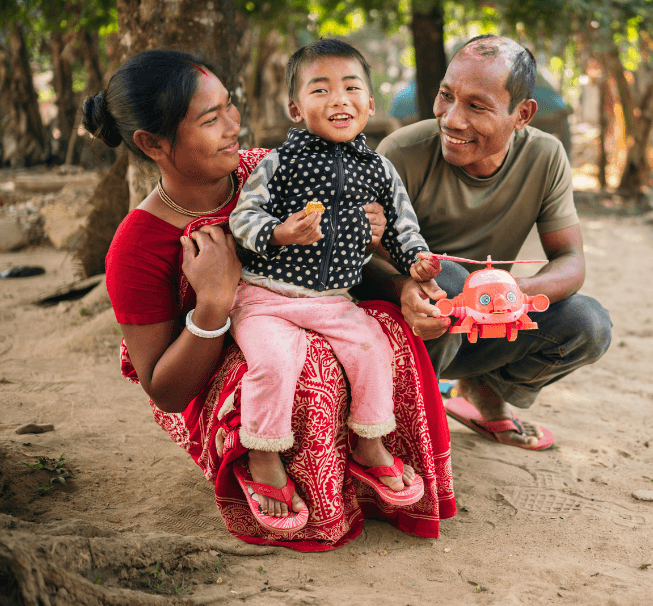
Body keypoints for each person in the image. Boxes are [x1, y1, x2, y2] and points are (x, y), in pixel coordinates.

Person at [83, 49, 454, 551]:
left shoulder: (275, 169)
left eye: (229, 107)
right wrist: (213, 302)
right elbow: (166, 393)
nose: (234, 125)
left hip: (315, 306)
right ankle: (270, 471)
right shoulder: (137, 247)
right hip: (214, 366)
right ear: (153, 143)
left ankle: (371, 461)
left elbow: (340, 276)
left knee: (382, 330)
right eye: (211, 119)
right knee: (300, 364)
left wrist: (399, 280)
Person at [357, 35, 613, 450]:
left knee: (589, 325)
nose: (452, 119)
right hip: (405, 324)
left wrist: (509, 294)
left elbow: (570, 260)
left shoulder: (546, 157)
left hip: (485, 322)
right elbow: (359, 262)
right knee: (451, 278)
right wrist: (402, 288)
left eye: (476, 106)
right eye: (446, 96)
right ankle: (399, 424)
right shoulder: (402, 152)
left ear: (522, 114)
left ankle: (484, 389)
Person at [228, 39, 441, 528]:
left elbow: (404, 226)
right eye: (320, 90)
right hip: (265, 295)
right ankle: (262, 456)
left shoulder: (380, 170)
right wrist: (279, 232)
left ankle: (368, 445)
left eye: (351, 88)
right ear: (296, 109)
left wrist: (417, 262)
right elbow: (244, 218)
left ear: (370, 103)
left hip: (333, 300)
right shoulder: (279, 164)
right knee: (275, 361)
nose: (339, 99)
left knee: (373, 348)